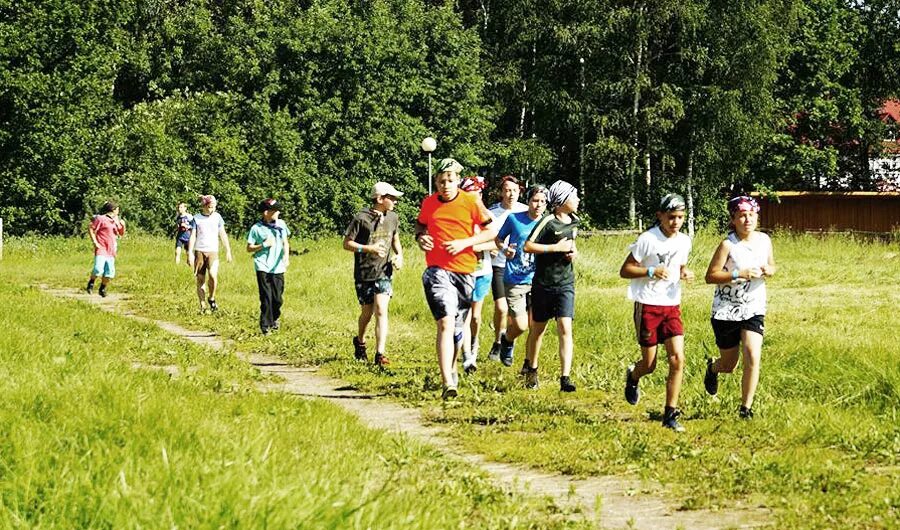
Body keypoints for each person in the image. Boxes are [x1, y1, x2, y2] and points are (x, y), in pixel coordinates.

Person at [416, 158, 495, 399]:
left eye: (450, 180)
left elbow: (492, 232)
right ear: (436, 182)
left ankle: (452, 367)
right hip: (437, 271)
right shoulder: (429, 203)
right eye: (441, 181)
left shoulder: (471, 202)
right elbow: (420, 228)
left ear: (458, 181)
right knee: (445, 323)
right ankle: (447, 381)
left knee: (457, 329)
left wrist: (465, 242)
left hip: (465, 271)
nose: (445, 185)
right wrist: (421, 238)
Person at [619, 193, 695, 432]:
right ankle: (633, 376)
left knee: (677, 359)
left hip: (671, 304)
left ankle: (670, 414)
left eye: (681, 217)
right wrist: (650, 271)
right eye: (671, 217)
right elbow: (625, 270)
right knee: (649, 364)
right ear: (660, 216)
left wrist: (684, 272)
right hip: (648, 304)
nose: (676, 222)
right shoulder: (647, 239)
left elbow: (679, 265)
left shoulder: (684, 241)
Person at [703, 196, 776, 419]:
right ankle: (713, 368)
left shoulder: (764, 240)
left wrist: (770, 270)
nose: (747, 219)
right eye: (742, 215)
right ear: (733, 219)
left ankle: (746, 408)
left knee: (753, 355)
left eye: (751, 215)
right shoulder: (728, 245)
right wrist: (738, 274)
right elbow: (710, 276)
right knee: (729, 364)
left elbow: (772, 264)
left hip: (754, 307)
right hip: (726, 310)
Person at [522, 180, 580, 393]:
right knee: (538, 330)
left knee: (565, 327)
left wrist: (573, 253)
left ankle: (565, 377)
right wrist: (555, 248)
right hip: (543, 284)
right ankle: (532, 369)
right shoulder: (547, 221)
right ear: (562, 200)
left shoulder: (575, 221)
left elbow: (572, 245)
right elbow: (527, 246)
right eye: (574, 196)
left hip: (565, 283)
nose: (578, 200)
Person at [343, 182, 404, 366]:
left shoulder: (393, 217)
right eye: (391, 198)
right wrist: (369, 249)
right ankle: (360, 341)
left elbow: (395, 238)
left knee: (381, 310)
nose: (395, 201)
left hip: (384, 271)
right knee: (367, 313)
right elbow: (347, 243)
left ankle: (380, 354)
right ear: (379, 199)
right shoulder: (361, 218)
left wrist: (399, 255)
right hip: (364, 273)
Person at [495, 184, 547, 386]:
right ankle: (507, 339)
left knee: (536, 327)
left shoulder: (547, 223)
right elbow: (499, 239)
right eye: (535, 200)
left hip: (539, 279)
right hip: (515, 278)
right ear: (528, 201)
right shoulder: (514, 219)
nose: (538, 205)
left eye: (543, 202)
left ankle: (529, 366)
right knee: (521, 325)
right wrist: (505, 249)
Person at [487, 176, 528, 363]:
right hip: (499, 265)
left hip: (521, 268)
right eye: (507, 190)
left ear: (520, 191)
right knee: (501, 308)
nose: (511, 194)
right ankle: (497, 341)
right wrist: (492, 246)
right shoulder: (492, 212)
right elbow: (484, 234)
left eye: (514, 190)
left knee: (515, 311)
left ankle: (507, 342)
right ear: (502, 192)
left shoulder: (526, 211)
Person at [459, 175, 496, 374]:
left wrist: (473, 245)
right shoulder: (459, 215)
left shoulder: (486, 215)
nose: (476, 199)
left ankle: (474, 342)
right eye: (472, 195)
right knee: (464, 316)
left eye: (478, 195)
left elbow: (496, 242)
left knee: (475, 316)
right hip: (463, 271)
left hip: (483, 271)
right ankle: (467, 358)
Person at [246, 198, 291, 335]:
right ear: (266, 212)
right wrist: (263, 245)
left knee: (277, 298)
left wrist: (286, 257)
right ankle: (265, 326)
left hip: (278, 267)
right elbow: (249, 248)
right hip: (263, 266)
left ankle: (275, 318)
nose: (278, 213)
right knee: (266, 297)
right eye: (275, 211)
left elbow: (285, 242)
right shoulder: (256, 228)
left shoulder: (281, 224)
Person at [188, 194, 233, 313]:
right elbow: (193, 236)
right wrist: (190, 253)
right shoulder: (196, 218)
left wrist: (228, 250)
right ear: (204, 206)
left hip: (213, 251)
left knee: (213, 275)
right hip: (199, 251)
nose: (212, 209)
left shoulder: (217, 217)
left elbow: (222, 234)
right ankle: (202, 305)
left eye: (214, 207)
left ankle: (211, 298)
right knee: (200, 279)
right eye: (210, 207)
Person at [85, 201, 126, 297]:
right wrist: (95, 242)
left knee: (109, 273)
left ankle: (102, 288)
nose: (118, 212)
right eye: (117, 209)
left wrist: (123, 225)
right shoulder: (101, 219)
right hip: (102, 248)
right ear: (113, 210)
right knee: (98, 269)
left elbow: (121, 233)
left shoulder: (115, 220)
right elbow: (91, 228)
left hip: (111, 250)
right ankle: (91, 283)